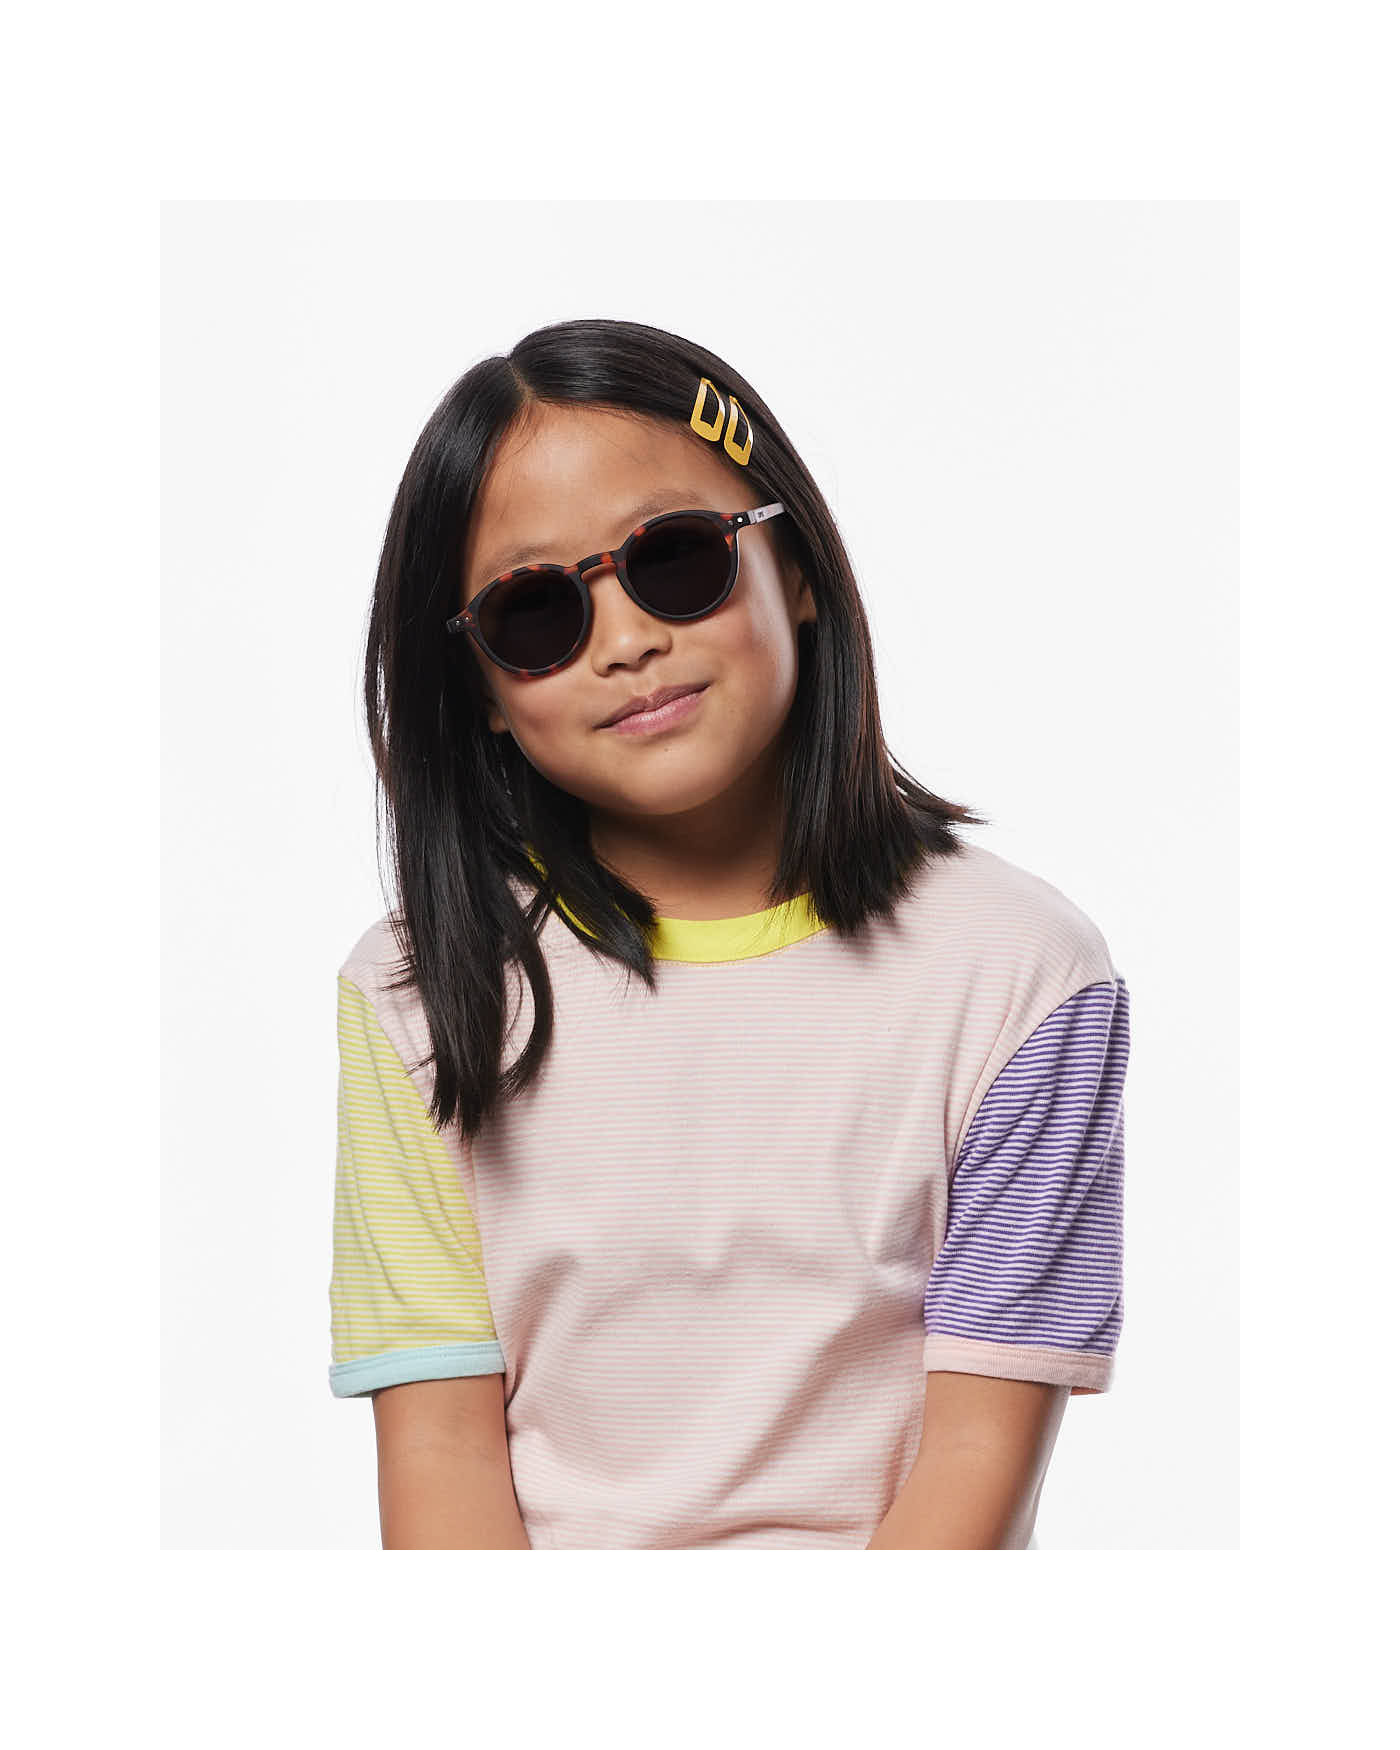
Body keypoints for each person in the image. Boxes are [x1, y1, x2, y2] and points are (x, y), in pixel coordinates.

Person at [327, 316, 1131, 1550]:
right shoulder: (414, 994)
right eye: (536, 614)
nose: (627, 641)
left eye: (676, 559)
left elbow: (978, 1452)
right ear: (480, 688)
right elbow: (439, 1450)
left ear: (793, 568)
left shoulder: (1020, 977)